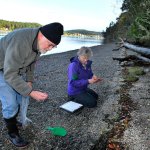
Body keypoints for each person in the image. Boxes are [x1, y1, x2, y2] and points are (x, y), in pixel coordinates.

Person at [0, 22, 64, 148]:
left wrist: (29, 82)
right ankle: (12, 133)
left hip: (11, 69)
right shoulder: (21, 41)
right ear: (41, 35)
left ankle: (12, 120)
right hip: (2, 68)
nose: (50, 49)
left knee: (20, 97)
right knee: (11, 102)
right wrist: (30, 92)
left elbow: (31, 63)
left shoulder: (39, 44)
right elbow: (9, 74)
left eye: (54, 47)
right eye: (50, 45)